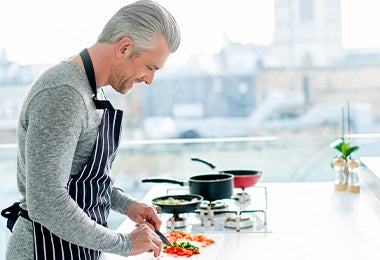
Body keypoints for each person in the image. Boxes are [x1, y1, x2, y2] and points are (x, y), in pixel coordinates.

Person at [1, 0, 181, 259]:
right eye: (150, 67)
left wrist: (126, 204)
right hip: (44, 249)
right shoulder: (64, 95)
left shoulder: (89, 90)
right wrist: (125, 244)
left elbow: (82, 180)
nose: (150, 80)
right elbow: (47, 202)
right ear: (124, 47)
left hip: (74, 248)